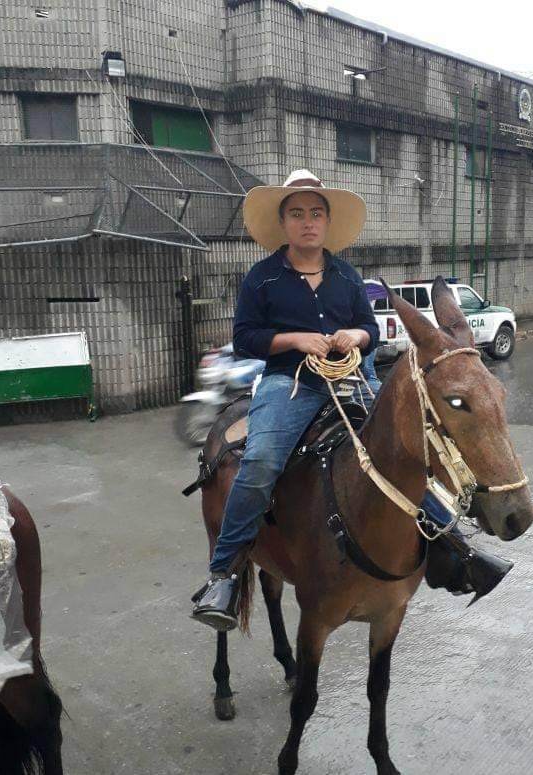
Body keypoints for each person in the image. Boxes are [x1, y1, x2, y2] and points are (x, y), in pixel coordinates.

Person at [192, 170, 510, 630]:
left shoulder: (345, 275)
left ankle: (452, 547)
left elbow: (371, 328)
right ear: (284, 222)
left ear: (326, 222)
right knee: (259, 460)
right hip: (291, 383)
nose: (307, 222)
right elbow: (245, 339)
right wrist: (298, 339)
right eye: (297, 213)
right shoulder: (262, 279)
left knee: (413, 444)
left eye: (316, 213)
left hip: (352, 377)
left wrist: (354, 334)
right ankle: (222, 574)